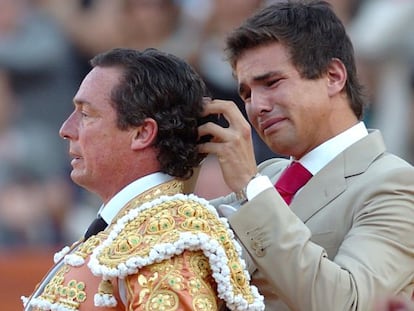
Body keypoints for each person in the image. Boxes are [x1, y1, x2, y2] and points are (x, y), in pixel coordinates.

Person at [197, 1, 414, 310]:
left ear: (333, 76)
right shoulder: (269, 176)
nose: (257, 106)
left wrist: (252, 188)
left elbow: (348, 304)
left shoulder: (396, 183)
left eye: (272, 82)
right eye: (246, 94)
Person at [21, 48, 265, 311]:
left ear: (142, 133)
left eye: (86, 114)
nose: (66, 130)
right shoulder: (137, 228)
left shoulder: (168, 240)